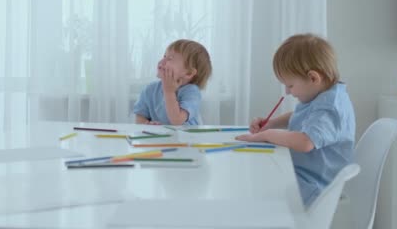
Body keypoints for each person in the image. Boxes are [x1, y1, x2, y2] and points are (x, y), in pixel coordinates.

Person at [235, 33, 355, 206]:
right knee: (258, 177)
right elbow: (300, 115)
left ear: (313, 78)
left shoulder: (330, 107)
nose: (287, 92)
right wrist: (273, 123)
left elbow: (306, 142)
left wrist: (267, 134)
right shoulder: (322, 96)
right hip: (305, 176)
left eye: (290, 85)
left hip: (315, 188)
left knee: (255, 189)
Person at [133, 39, 212, 126]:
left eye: (170, 59)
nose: (162, 61)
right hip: (160, 138)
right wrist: (146, 124)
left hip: (187, 138)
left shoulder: (192, 92)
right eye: (164, 56)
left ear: (188, 73)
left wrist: (169, 92)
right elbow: (140, 116)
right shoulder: (150, 89)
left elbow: (177, 121)